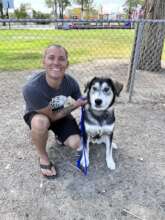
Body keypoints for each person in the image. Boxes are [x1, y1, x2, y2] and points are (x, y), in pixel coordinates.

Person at [22, 44, 87, 179]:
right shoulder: (32, 87)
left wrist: (95, 102)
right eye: (51, 58)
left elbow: (83, 102)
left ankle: (59, 136)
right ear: (44, 62)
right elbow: (52, 116)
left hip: (60, 112)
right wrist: (76, 104)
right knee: (41, 123)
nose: (56, 63)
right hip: (38, 114)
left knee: (76, 143)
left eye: (61, 59)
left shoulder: (71, 82)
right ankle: (43, 157)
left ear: (67, 64)